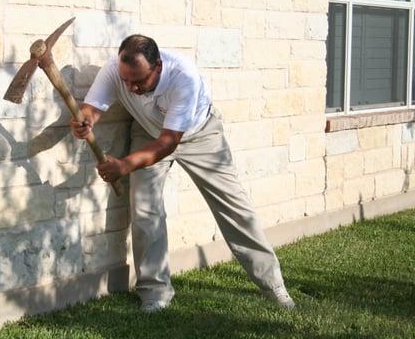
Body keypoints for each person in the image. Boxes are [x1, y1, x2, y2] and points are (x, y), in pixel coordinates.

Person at [70, 35, 295, 313]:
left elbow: (168, 143)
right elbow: (92, 108)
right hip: (147, 131)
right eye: (127, 81)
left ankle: (273, 285)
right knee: (144, 210)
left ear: (158, 66)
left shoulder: (183, 76)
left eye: (139, 81)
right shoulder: (116, 71)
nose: (132, 87)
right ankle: (154, 293)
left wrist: (124, 166)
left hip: (199, 135)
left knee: (235, 208)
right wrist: (84, 121)